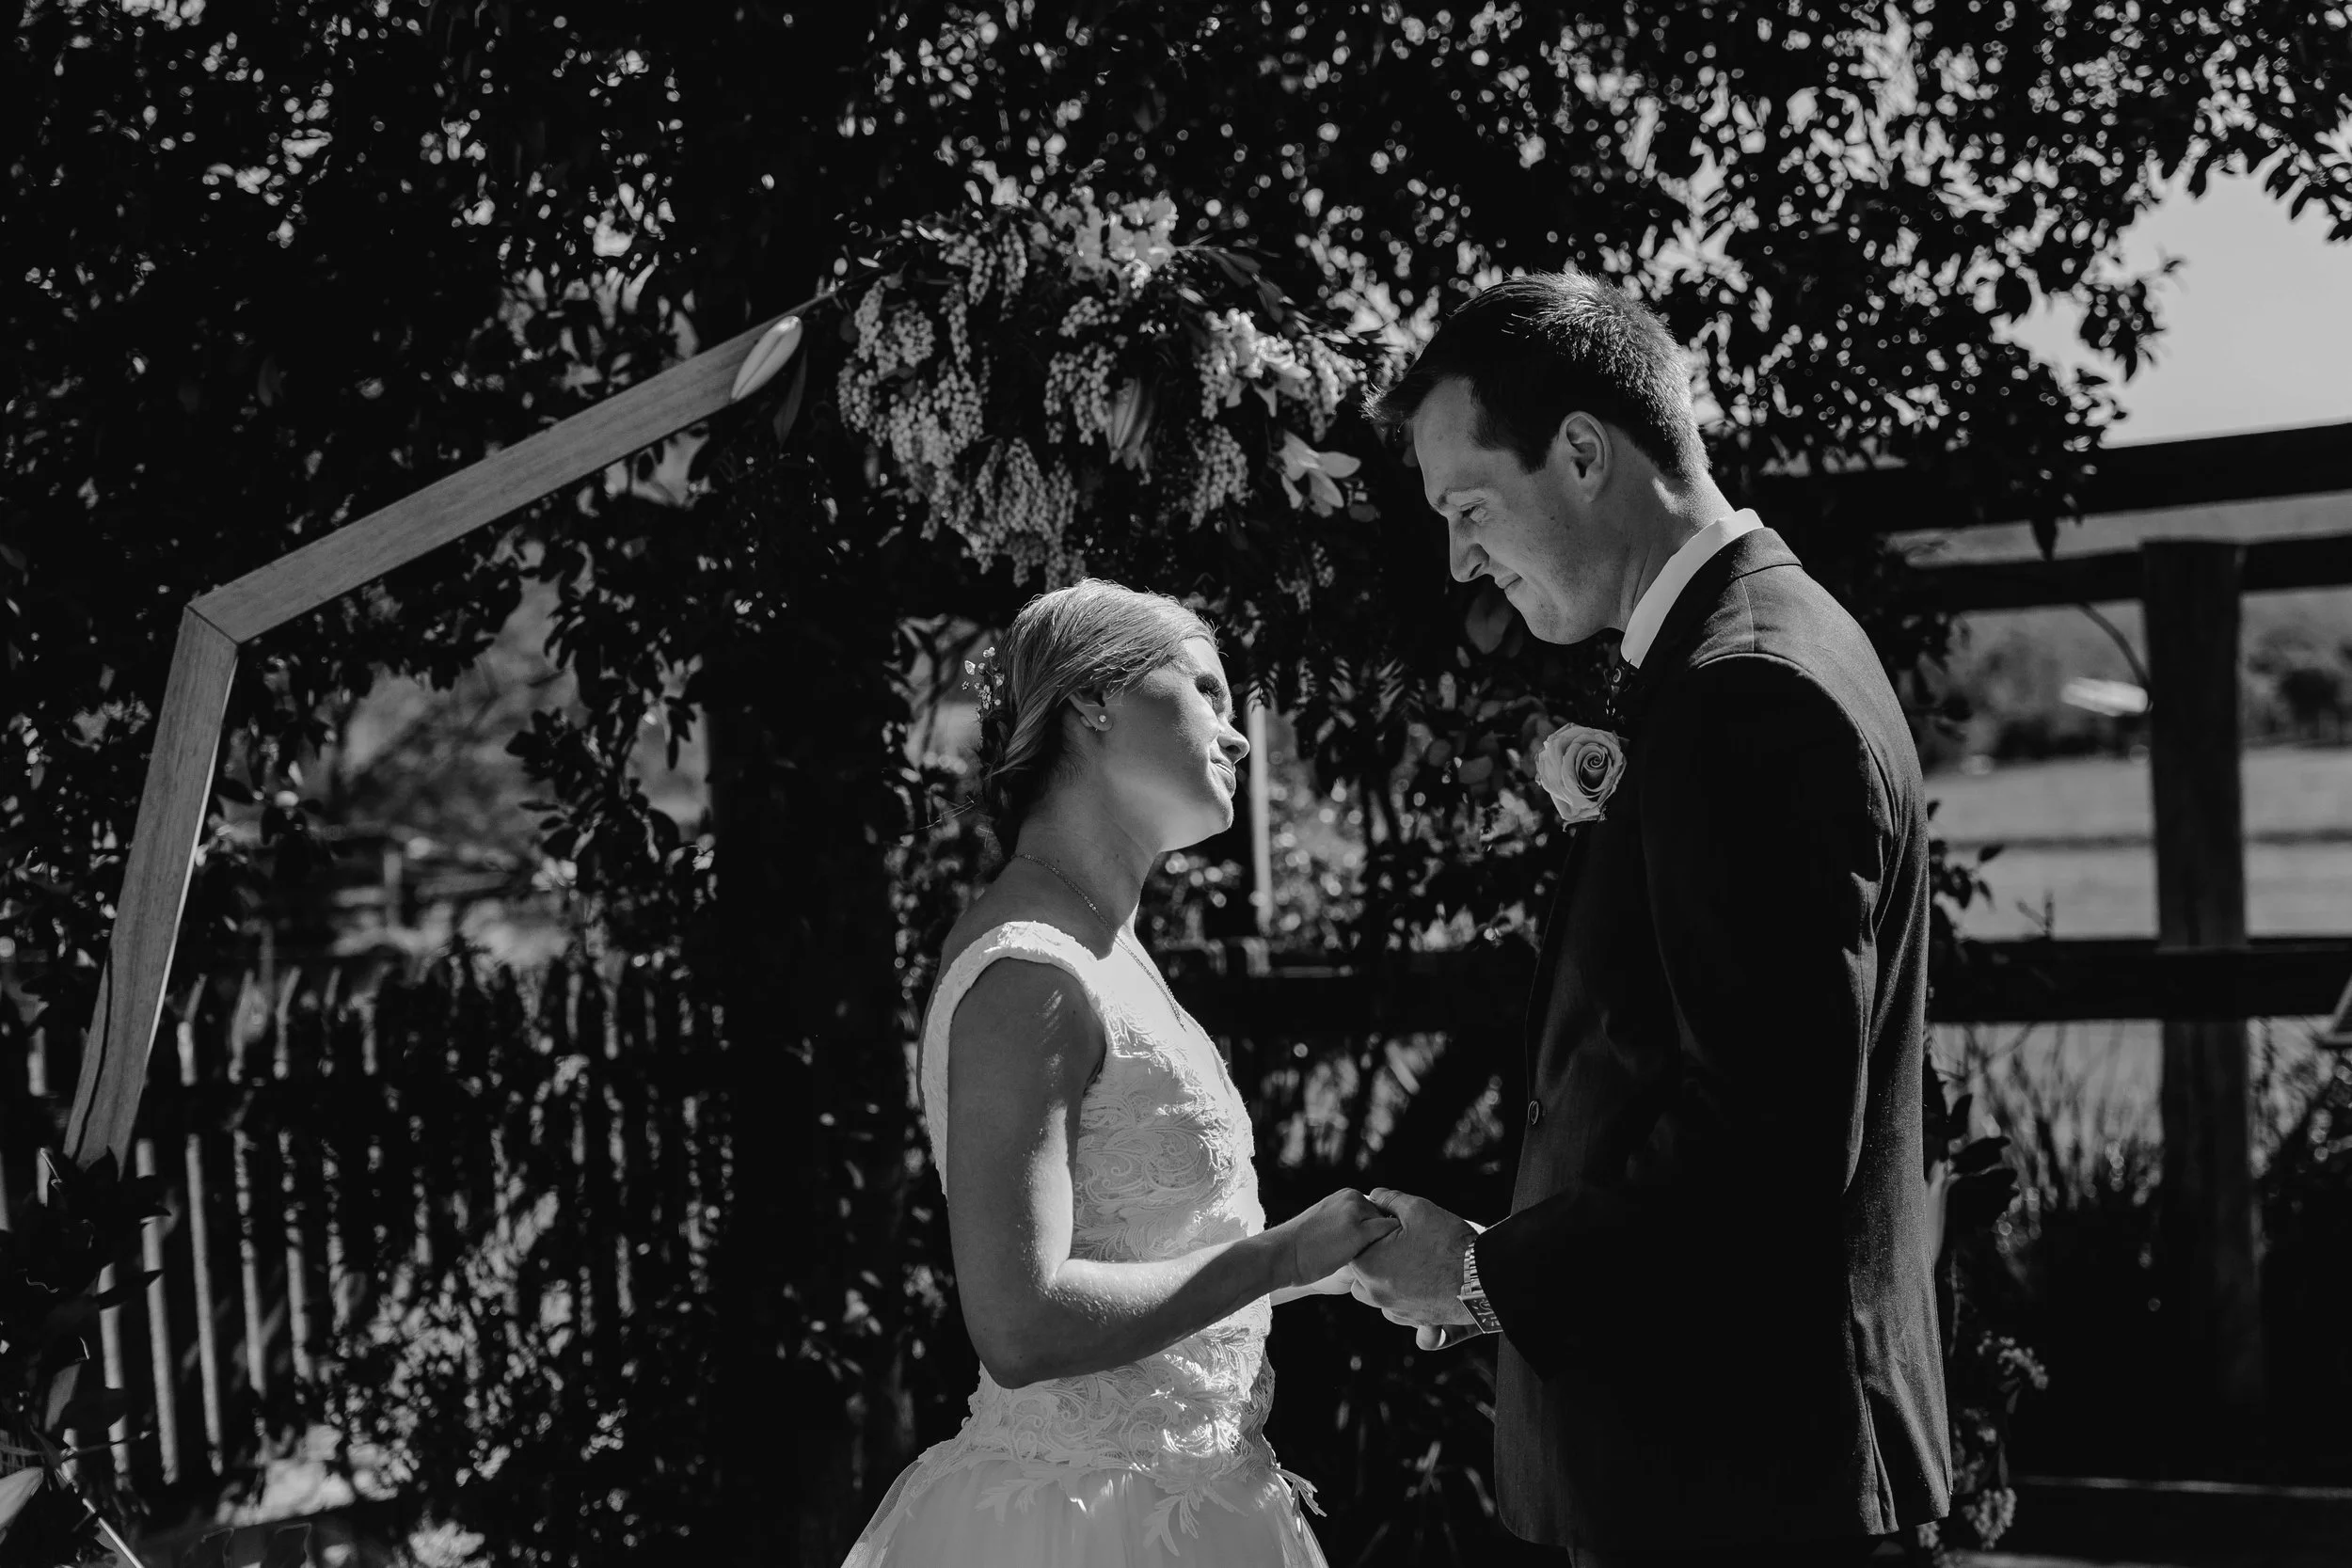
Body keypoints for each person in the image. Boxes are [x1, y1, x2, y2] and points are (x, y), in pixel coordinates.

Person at [1345, 271, 1953, 1567]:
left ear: (1581, 452)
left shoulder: (1748, 691)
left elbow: (1766, 1137)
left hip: (1738, 1484)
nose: (1460, 558)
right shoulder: (1752, 648)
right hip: (1724, 1472)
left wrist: (1483, 1274)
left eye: (1467, 507)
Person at [840, 579, 1397, 1568]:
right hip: (1079, 1521)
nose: (1237, 736)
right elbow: (1020, 1321)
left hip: (1195, 1500)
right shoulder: (1030, 967)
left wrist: (1338, 1265)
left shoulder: (1111, 948)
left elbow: (1151, 1248)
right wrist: (1276, 1257)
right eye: (1207, 691)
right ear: (1095, 698)